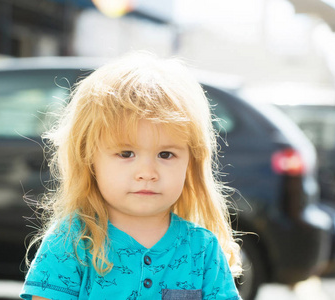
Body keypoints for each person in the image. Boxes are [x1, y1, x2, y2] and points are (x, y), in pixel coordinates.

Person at [20, 52, 242, 300]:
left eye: (166, 155)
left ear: (192, 162)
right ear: (89, 159)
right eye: (126, 153)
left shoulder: (203, 249)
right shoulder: (71, 242)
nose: (147, 173)